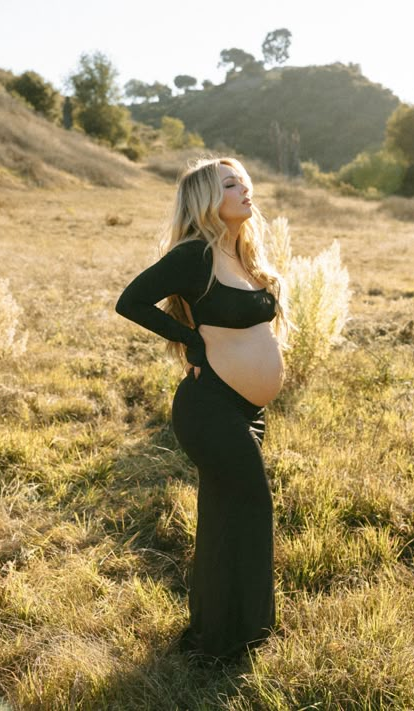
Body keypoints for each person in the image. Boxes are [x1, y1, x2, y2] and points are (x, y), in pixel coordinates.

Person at [115, 157, 289, 665]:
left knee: (228, 516)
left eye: (245, 181)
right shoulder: (195, 256)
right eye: (230, 184)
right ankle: (228, 640)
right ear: (206, 200)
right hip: (209, 408)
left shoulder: (243, 254)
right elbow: (131, 301)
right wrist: (190, 342)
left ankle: (233, 633)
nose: (245, 188)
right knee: (251, 507)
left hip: (245, 410)